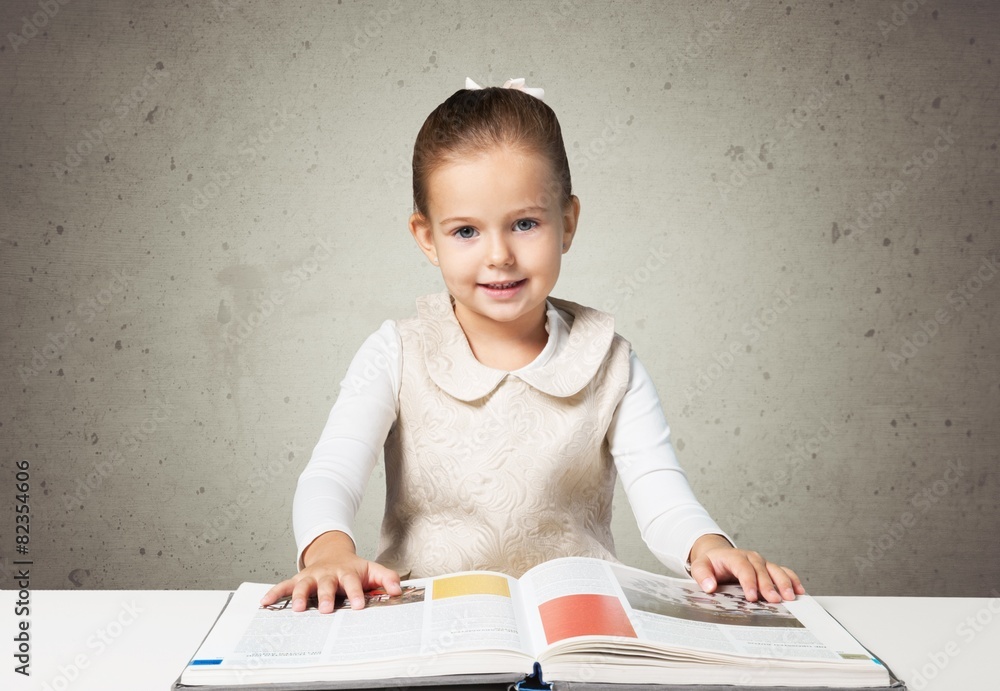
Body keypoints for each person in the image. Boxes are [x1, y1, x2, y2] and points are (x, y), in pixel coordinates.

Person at [261, 77, 805, 614]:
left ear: (567, 222)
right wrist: (329, 551)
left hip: (576, 624)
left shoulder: (609, 361)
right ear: (427, 237)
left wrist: (710, 549)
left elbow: (662, 495)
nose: (498, 255)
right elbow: (332, 473)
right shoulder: (399, 352)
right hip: (429, 622)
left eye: (524, 223)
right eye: (466, 232)